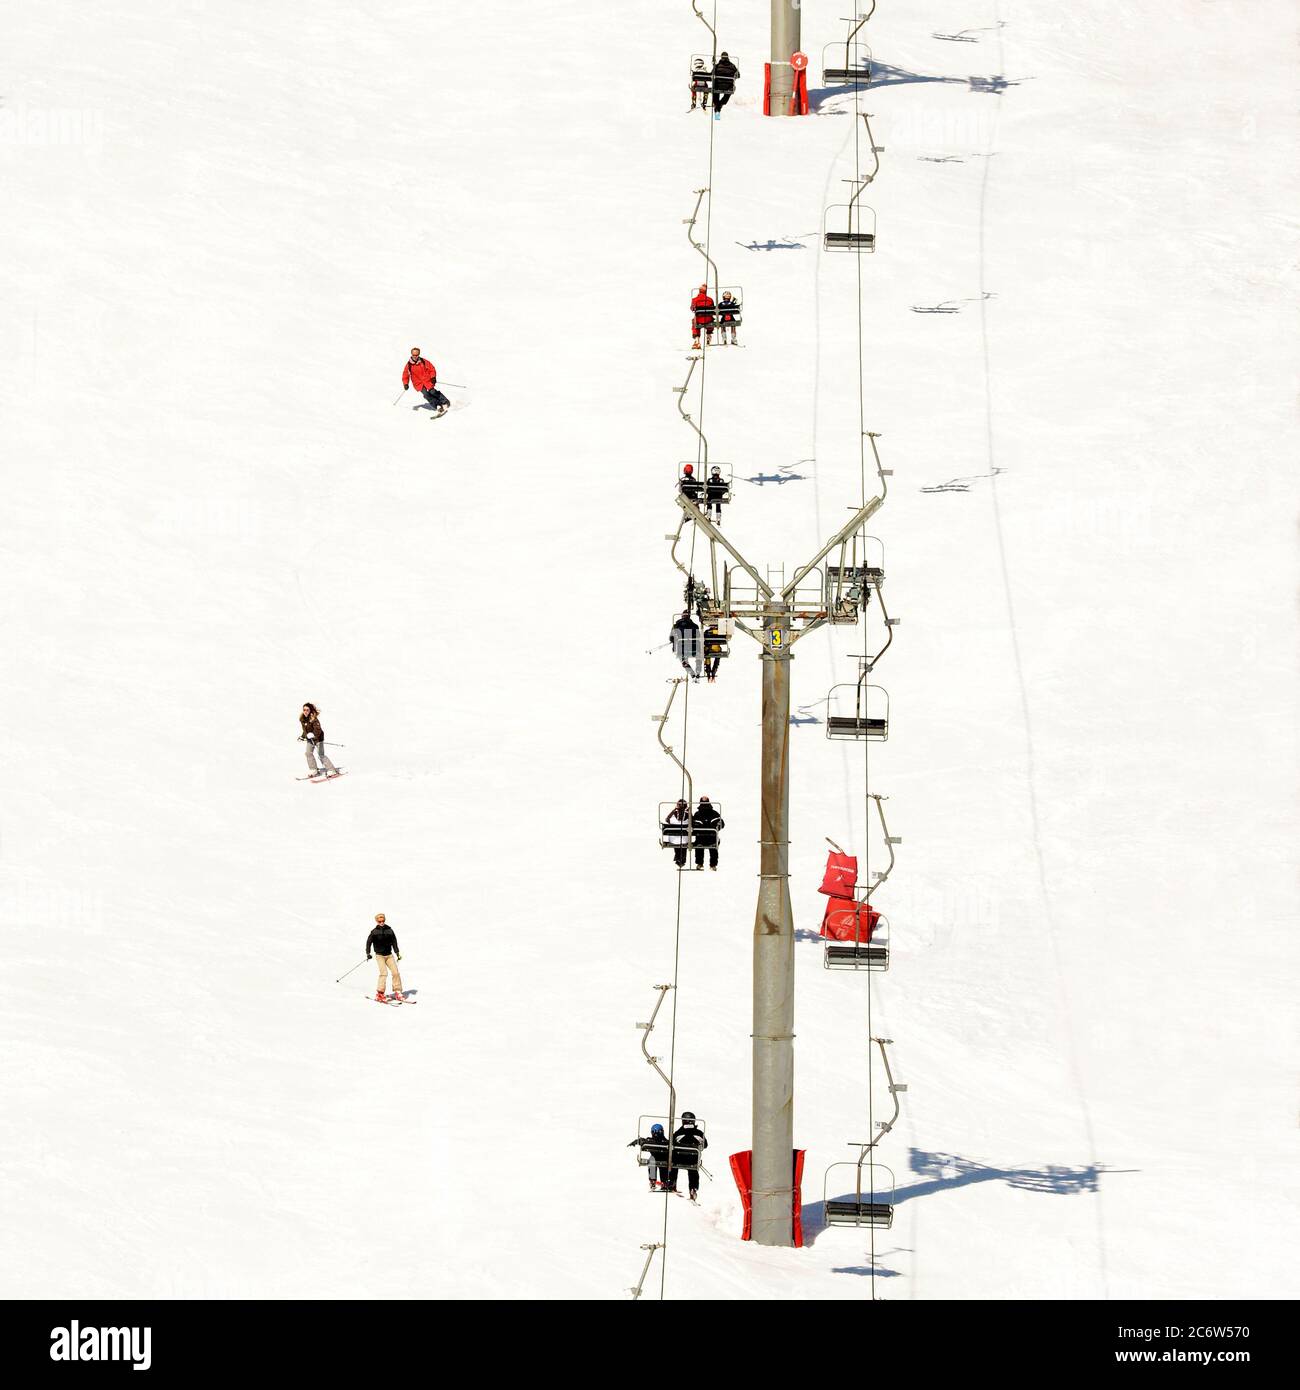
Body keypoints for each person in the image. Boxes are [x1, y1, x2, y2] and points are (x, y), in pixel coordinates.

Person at [665, 1111, 709, 1201]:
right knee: (693, 1170)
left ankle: (672, 1183)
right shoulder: (699, 1133)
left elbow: (670, 1143)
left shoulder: (678, 1133)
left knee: (673, 1165)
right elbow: (705, 1145)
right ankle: (693, 1188)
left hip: (678, 1159)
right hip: (692, 1160)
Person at [365, 913, 403, 1001]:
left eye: (383, 920)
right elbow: (368, 943)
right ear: (377, 921)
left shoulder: (389, 930)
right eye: (379, 921)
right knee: (384, 973)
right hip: (379, 955)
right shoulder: (374, 932)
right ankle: (380, 993)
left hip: (389, 955)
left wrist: (397, 953)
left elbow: (394, 942)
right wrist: (368, 953)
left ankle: (398, 992)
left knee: (395, 973)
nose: (381, 922)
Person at [401, 347, 449, 415]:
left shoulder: (424, 361)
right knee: (426, 394)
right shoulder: (409, 365)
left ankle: (445, 401)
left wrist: (433, 377)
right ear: (411, 354)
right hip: (418, 383)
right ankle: (438, 405)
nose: (415, 356)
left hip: (427, 380)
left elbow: (432, 369)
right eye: (413, 355)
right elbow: (405, 375)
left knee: (433, 391)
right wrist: (405, 383)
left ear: (419, 354)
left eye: (416, 355)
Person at [298, 702, 339, 779]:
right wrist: (303, 736)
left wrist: (313, 735)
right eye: (304, 710)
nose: (305, 711)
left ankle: (331, 770)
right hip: (310, 739)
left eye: (307, 710)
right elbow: (305, 730)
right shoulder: (303, 719)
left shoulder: (314, 719)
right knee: (308, 753)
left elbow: (318, 730)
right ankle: (313, 770)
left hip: (318, 739)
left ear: (310, 710)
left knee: (321, 755)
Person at [628, 1123, 671, 1190]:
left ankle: (653, 1180)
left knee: (652, 1161)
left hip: (656, 1159)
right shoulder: (667, 1142)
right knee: (661, 1163)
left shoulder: (649, 1141)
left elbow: (642, 1140)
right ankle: (664, 1181)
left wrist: (636, 1141)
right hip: (663, 1160)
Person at [692, 796, 724, 870]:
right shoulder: (699, 814)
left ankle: (701, 864)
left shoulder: (699, 814)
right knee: (706, 847)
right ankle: (711, 865)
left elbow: (722, 823)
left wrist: (718, 827)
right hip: (707, 838)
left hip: (705, 838)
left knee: (701, 847)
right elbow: (693, 824)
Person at [670, 609, 702, 679]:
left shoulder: (676, 626)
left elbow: (671, 638)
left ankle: (691, 672)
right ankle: (698, 670)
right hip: (694, 648)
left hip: (681, 648)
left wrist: (674, 641)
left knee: (683, 658)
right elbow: (698, 636)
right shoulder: (695, 626)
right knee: (698, 656)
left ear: (682, 616)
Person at [662, 798, 692, 869]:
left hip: (673, 838)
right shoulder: (688, 814)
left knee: (676, 841)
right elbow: (692, 821)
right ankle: (681, 860)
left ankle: (678, 859)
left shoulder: (674, 813)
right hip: (685, 838)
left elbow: (667, 820)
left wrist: (674, 810)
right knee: (682, 842)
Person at [690, 285, 715, 349]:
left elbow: (692, 308)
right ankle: (708, 337)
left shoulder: (694, 299)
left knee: (694, 322)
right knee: (710, 319)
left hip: (699, 319)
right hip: (708, 319)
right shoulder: (710, 299)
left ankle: (697, 341)